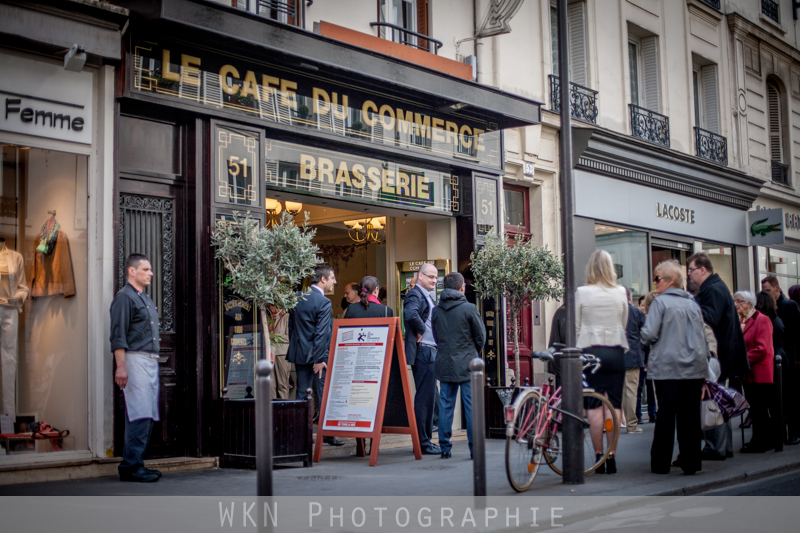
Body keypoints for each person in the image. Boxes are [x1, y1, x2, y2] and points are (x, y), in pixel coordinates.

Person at [641, 260, 708, 475]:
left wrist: (641, 337)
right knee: (690, 417)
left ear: (671, 280)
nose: (655, 282)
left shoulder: (661, 303)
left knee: (666, 416)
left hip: (668, 367)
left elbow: (649, 334)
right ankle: (691, 462)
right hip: (694, 367)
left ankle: (661, 464)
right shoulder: (692, 303)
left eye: (658, 278)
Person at [688, 252, 749, 461]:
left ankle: (716, 447)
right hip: (725, 354)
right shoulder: (716, 286)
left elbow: (708, 319)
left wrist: (690, 306)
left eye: (691, 270)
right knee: (719, 400)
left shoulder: (712, 289)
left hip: (720, 355)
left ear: (702, 270)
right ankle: (723, 446)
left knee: (713, 400)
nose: (689, 275)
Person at [109, 253, 162, 483]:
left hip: (150, 361)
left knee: (147, 413)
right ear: (132, 271)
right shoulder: (124, 298)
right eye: (146, 270)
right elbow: (118, 336)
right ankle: (130, 467)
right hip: (135, 359)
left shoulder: (145, 298)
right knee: (139, 413)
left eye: (150, 270)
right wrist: (121, 367)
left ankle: (137, 463)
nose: (151, 273)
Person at [575, 250, 629, 474]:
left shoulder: (582, 292)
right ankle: (612, 455)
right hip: (615, 350)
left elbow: (577, 325)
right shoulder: (620, 292)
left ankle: (598, 457)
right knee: (614, 406)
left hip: (590, 351)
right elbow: (623, 322)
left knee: (594, 407)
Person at [287, 264, 343, 446]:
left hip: (299, 353)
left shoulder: (297, 297)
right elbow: (322, 333)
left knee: (302, 393)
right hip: (319, 356)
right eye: (333, 278)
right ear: (323, 279)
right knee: (324, 394)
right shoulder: (324, 302)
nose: (335, 281)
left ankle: (299, 434)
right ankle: (327, 434)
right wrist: (319, 359)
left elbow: (291, 327)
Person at [432, 272, 485, 459]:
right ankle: (475, 449)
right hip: (468, 362)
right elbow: (481, 337)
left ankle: (444, 447)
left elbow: (437, 337)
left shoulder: (436, 310)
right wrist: (472, 351)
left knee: (446, 406)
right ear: (462, 288)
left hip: (445, 361)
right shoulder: (469, 308)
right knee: (471, 407)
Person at [403, 263, 441, 455]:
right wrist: (421, 329)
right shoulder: (414, 294)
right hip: (424, 352)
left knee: (429, 397)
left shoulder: (425, 295)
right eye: (430, 276)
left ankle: (426, 441)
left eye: (436, 277)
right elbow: (410, 313)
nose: (434, 280)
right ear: (420, 276)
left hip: (429, 352)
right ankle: (423, 443)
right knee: (425, 399)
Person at [736, 290, 777, 453]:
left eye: (739, 301)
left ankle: (761, 442)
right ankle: (760, 440)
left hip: (760, 372)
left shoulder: (762, 320)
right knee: (755, 409)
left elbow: (762, 348)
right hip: (748, 373)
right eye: (735, 301)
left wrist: (742, 359)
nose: (736, 304)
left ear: (749, 303)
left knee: (759, 409)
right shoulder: (742, 320)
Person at [761, 276, 800, 445]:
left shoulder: (789, 306)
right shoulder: (768, 310)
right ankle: (781, 433)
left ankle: (794, 432)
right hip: (776, 358)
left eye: (768, 291)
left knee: (790, 398)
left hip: (788, 358)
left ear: (778, 288)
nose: (766, 294)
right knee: (778, 398)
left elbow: (795, 334)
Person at [622, 287, 646, 434]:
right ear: (630, 299)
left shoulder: (613, 312)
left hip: (616, 357)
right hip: (633, 356)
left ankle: (615, 422)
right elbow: (647, 334)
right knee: (631, 391)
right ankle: (631, 424)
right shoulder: (637, 313)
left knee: (616, 392)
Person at [637, 292, 658, 424]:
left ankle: (652, 413)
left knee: (651, 388)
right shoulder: (642, 319)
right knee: (641, 388)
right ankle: (640, 414)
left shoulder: (652, 319)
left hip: (650, 359)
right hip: (644, 358)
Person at [267, 304, 291, 399]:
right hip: (269, 353)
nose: (269, 308)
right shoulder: (269, 319)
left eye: (270, 306)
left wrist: (275, 337)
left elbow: (290, 336)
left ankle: (284, 407)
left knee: (283, 383)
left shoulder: (286, 317)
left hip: (282, 353)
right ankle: (273, 408)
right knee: (270, 384)